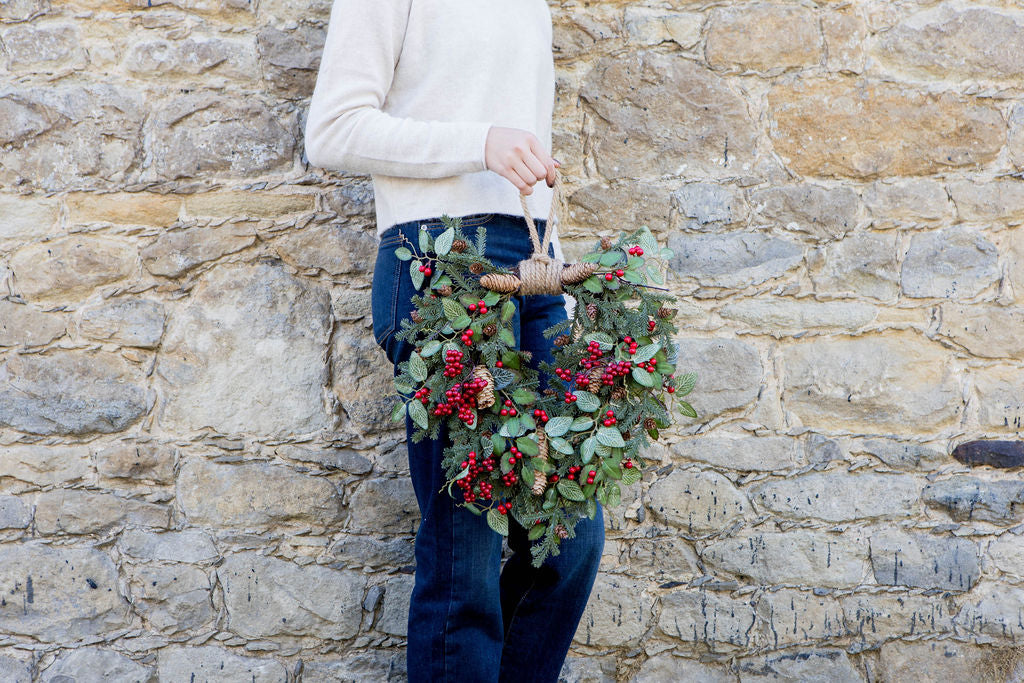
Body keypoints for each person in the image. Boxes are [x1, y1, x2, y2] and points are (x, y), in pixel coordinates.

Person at [303, 1, 605, 681]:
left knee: (571, 538)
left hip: (530, 268)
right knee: (465, 549)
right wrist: (481, 142)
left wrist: (550, 253)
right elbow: (331, 130)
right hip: (438, 262)